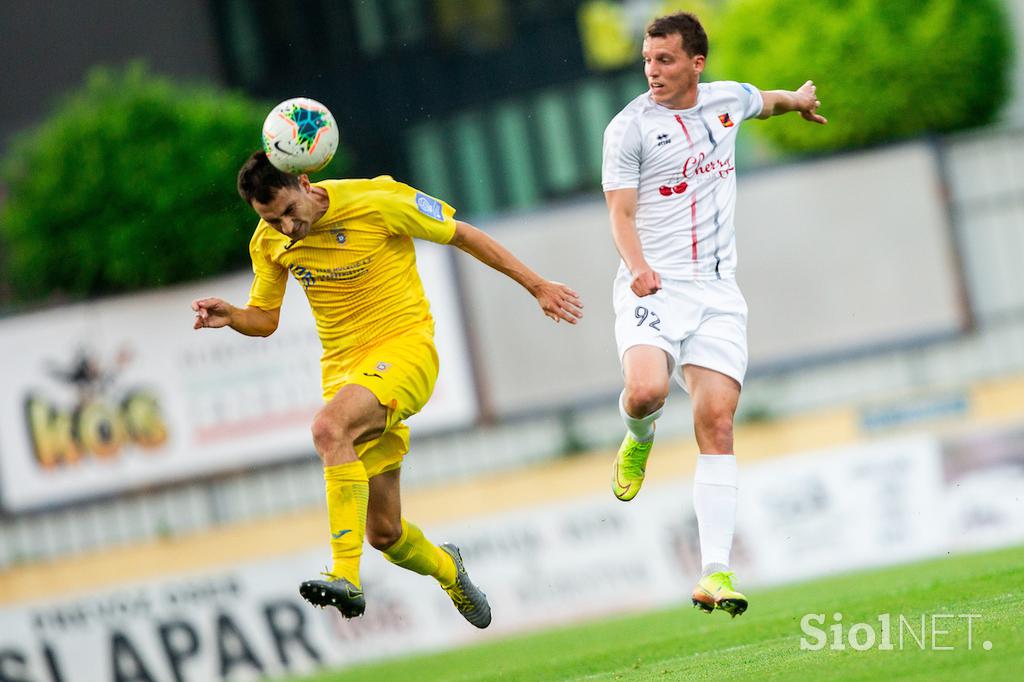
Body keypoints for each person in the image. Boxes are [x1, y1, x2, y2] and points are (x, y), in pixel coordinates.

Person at [192, 152, 583, 627]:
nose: (287, 227)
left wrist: (538, 286)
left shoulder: (378, 200)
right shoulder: (269, 241)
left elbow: (465, 235)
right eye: (272, 220)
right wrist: (233, 317)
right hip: (346, 374)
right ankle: (449, 570)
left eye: (290, 212)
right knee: (385, 534)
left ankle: (344, 577)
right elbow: (266, 319)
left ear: (303, 179)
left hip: (404, 350)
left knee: (327, 428)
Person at [601, 12, 826, 618]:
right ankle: (637, 436)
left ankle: (715, 573)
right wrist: (640, 267)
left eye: (665, 60)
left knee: (718, 424)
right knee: (646, 391)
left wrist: (798, 100)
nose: (652, 70)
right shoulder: (629, 129)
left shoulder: (725, 100)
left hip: (719, 294)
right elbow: (620, 214)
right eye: (648, 60)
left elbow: (765, 101)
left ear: (696, 63)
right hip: (654, 286)